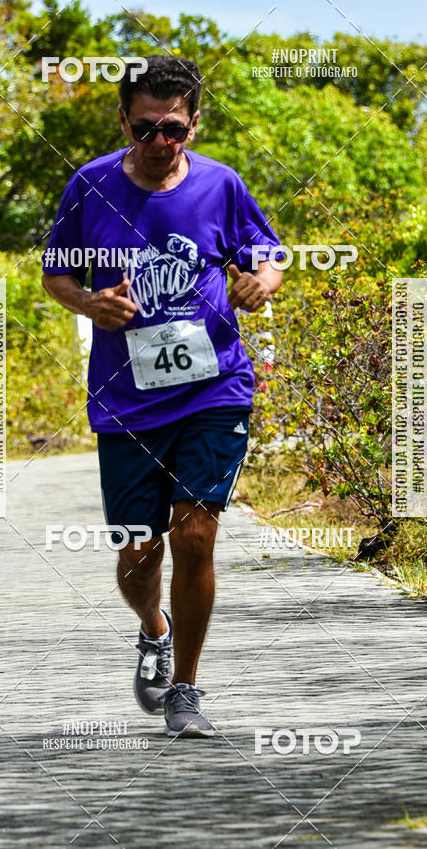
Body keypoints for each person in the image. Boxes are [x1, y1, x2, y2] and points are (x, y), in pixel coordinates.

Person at [42, 55, 282, 737]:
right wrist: (90, 302)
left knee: (196, 534)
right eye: (145, 128)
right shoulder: (89, 186)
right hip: (128, 398)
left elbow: (269, 254)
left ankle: (186, 691)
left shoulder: (221, 185)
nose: (159, 143)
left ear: (194, 124)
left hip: (216, 386)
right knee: (137, 550)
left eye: (173, 129)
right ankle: (154, 627)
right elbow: (54, 276)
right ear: (124, 121)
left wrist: (263, 281)